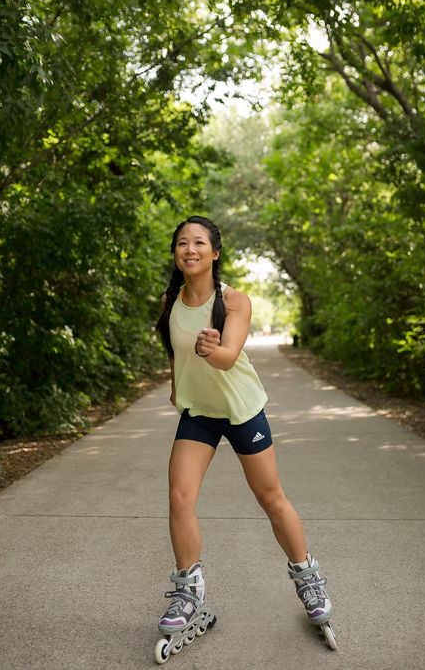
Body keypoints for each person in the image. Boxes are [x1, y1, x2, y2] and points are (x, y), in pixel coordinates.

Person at [155, 215, 333, 640]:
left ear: (215, 253)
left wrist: (211, 348)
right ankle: (189, 592)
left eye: (199, 243)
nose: (190, 249)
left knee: (270, 497)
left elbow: (229, 356)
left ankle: (308, 579)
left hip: (241, 410)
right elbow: (174, 349)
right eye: (182, 243)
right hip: (199, 412)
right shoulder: (170, 300)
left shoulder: (235, 300)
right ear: (176, 253)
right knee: (179, 496)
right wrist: (179, 388)